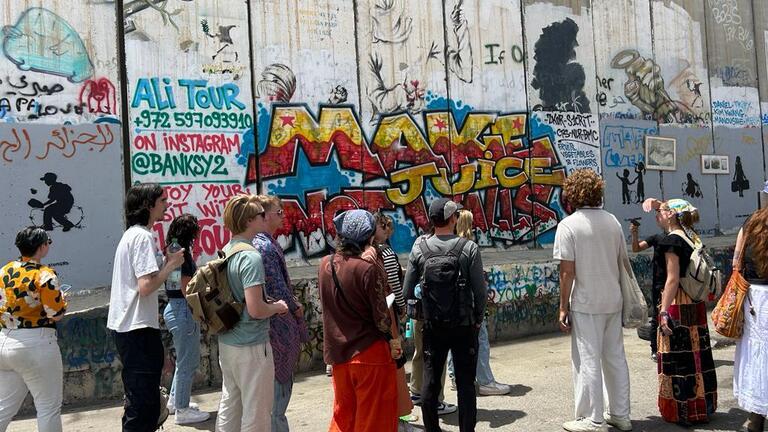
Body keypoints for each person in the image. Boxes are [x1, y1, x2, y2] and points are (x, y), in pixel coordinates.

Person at [553, 169, 632, 432]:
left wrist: (563, 306)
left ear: (572, 194)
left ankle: (592, 417)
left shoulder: (568, 225)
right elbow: (622, 261)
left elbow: (567, 271)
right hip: (613, 298)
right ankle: (620, 414)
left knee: (587, 359)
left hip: (586, 301)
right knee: (615, 358)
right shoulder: (612, 221)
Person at [403, 198, 487, 432]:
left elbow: (407, 291)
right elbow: (480, 292)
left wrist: (420, 312)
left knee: (430, 381)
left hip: (433, 326)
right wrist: (478, 319)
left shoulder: (420, 248)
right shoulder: (468, 248)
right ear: (453, 219)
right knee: (465, 384)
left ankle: (432, 429)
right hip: (463, 325)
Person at [107, 183, 186, 432]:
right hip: (136, 328)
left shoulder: (133, 235)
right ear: (148, 205)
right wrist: (170, 265)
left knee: (142, 401)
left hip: (133, 328)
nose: (167, 204)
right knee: (144, 406)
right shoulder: (142, 237)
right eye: (162, 200)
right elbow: (146, 286)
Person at [319, 209, 400, 431]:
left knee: (343, 415)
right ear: (369, 236)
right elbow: (382, 318)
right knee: (373, 418)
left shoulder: (325, 264)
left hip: (338, 353)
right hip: (369, 353)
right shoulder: (367, 268)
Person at [216, 195, 289, 432]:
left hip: (227, 342)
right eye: (260, 214)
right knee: (256, 414)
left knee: (230, 405)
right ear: (249, 220)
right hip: (253, 345)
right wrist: (277, 307)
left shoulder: (226, 251)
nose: (264, 217)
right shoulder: (251, 257)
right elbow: (256, 309)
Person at [644, 197, 717, 425]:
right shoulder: (691, 237)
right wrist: (657, 203)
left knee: (679, 358)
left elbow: (672, 279)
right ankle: (701, 408)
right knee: (698, 355)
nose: (659, 214)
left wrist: (663, 311)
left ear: (672, 215)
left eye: (663, 211)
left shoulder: (671, 241)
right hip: (695, 305)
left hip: (677, 303)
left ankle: (682, 411)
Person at [0, 227, 67, 432]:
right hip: (36, 343)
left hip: (4, 341)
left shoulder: (4, 271)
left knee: (4, 407)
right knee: (48, 407)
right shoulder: (45, 274)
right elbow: (54, 314)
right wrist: (63, 301)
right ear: (42, 247)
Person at [251, 195, 308, 432]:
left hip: (274, 327)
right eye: (279, 212)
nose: (283, 215)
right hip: (277, 329)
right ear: (264, 216)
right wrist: (295, 307)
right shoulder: (264, 247)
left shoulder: (266, 243)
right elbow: (276, 288)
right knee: (277, 401)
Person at [447, 210, 510, 396]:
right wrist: (481, 309)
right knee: (480, 339)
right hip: (469, 302)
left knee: (453, 341)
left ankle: (454, 378)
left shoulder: (448, 245)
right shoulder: (470, 247)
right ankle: (485, 381)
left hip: (451, 303)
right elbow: (478, 285)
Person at [161, 214, 209, 425]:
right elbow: (186, 288)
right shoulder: (183, 255)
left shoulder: (171, 250)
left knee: (182, 360)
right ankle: (182, 410)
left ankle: (175, 401)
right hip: (183, 309)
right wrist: (198, 310)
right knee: (188, 362)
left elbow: (172, 283)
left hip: (172, 307)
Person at [370, 212, 416, 430]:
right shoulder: (385, 253)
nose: (387, 229)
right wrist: (402, 307)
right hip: (388, 314)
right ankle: (400, 416)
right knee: (396, 363)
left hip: (373, 316)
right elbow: (395, 286)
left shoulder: (366, 253)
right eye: (383, 225)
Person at [732, 200, 768, 432]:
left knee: (757, 355)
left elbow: (736, 262)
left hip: (753, 297)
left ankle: (756, 417)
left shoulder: (751, 222)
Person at [629, 220, 665, 360]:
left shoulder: (681, 238)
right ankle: (655, 349)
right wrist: (634, 234)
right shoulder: (657, 238)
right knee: (657, 316)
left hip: (678, 284)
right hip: (659, 283)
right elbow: (636, 248)